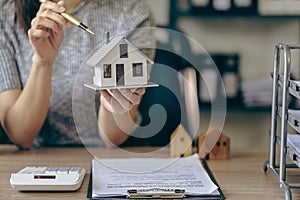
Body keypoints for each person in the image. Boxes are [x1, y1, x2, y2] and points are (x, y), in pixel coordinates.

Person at [0, 0, 155, 149]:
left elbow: (114, 138)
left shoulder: (133, 14)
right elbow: (21, 136)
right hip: (36, 161)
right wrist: (42, 62)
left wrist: (112, 104)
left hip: (109, 157)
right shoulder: (5, 16)